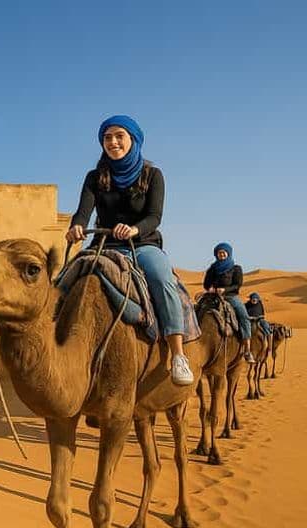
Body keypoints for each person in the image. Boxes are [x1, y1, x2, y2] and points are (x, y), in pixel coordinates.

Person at [66, 115, 194, 385]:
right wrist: (76, 227)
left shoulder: (152, 175)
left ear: (133, 140)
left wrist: (135, 229)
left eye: (118, 136)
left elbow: (154, 216)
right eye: (107, 137)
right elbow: (83, 212)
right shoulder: (95, 177)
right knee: (66, 279)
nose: (112, 142)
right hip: (104, 244)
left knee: (161, 278)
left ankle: (177, 354)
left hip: (142, 244)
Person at [203, 243, 255, 363]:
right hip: (212, 296)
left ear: (228, 254)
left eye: (223, 253)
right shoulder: (212, 268)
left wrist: (225, 290)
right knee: (195, 311)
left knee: (244, 317)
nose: (221, 255)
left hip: (230, 296)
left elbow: (237, 285)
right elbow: (206, 284)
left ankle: (247, 350)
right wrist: (209, 288)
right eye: (219, 253)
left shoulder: (236, 268)